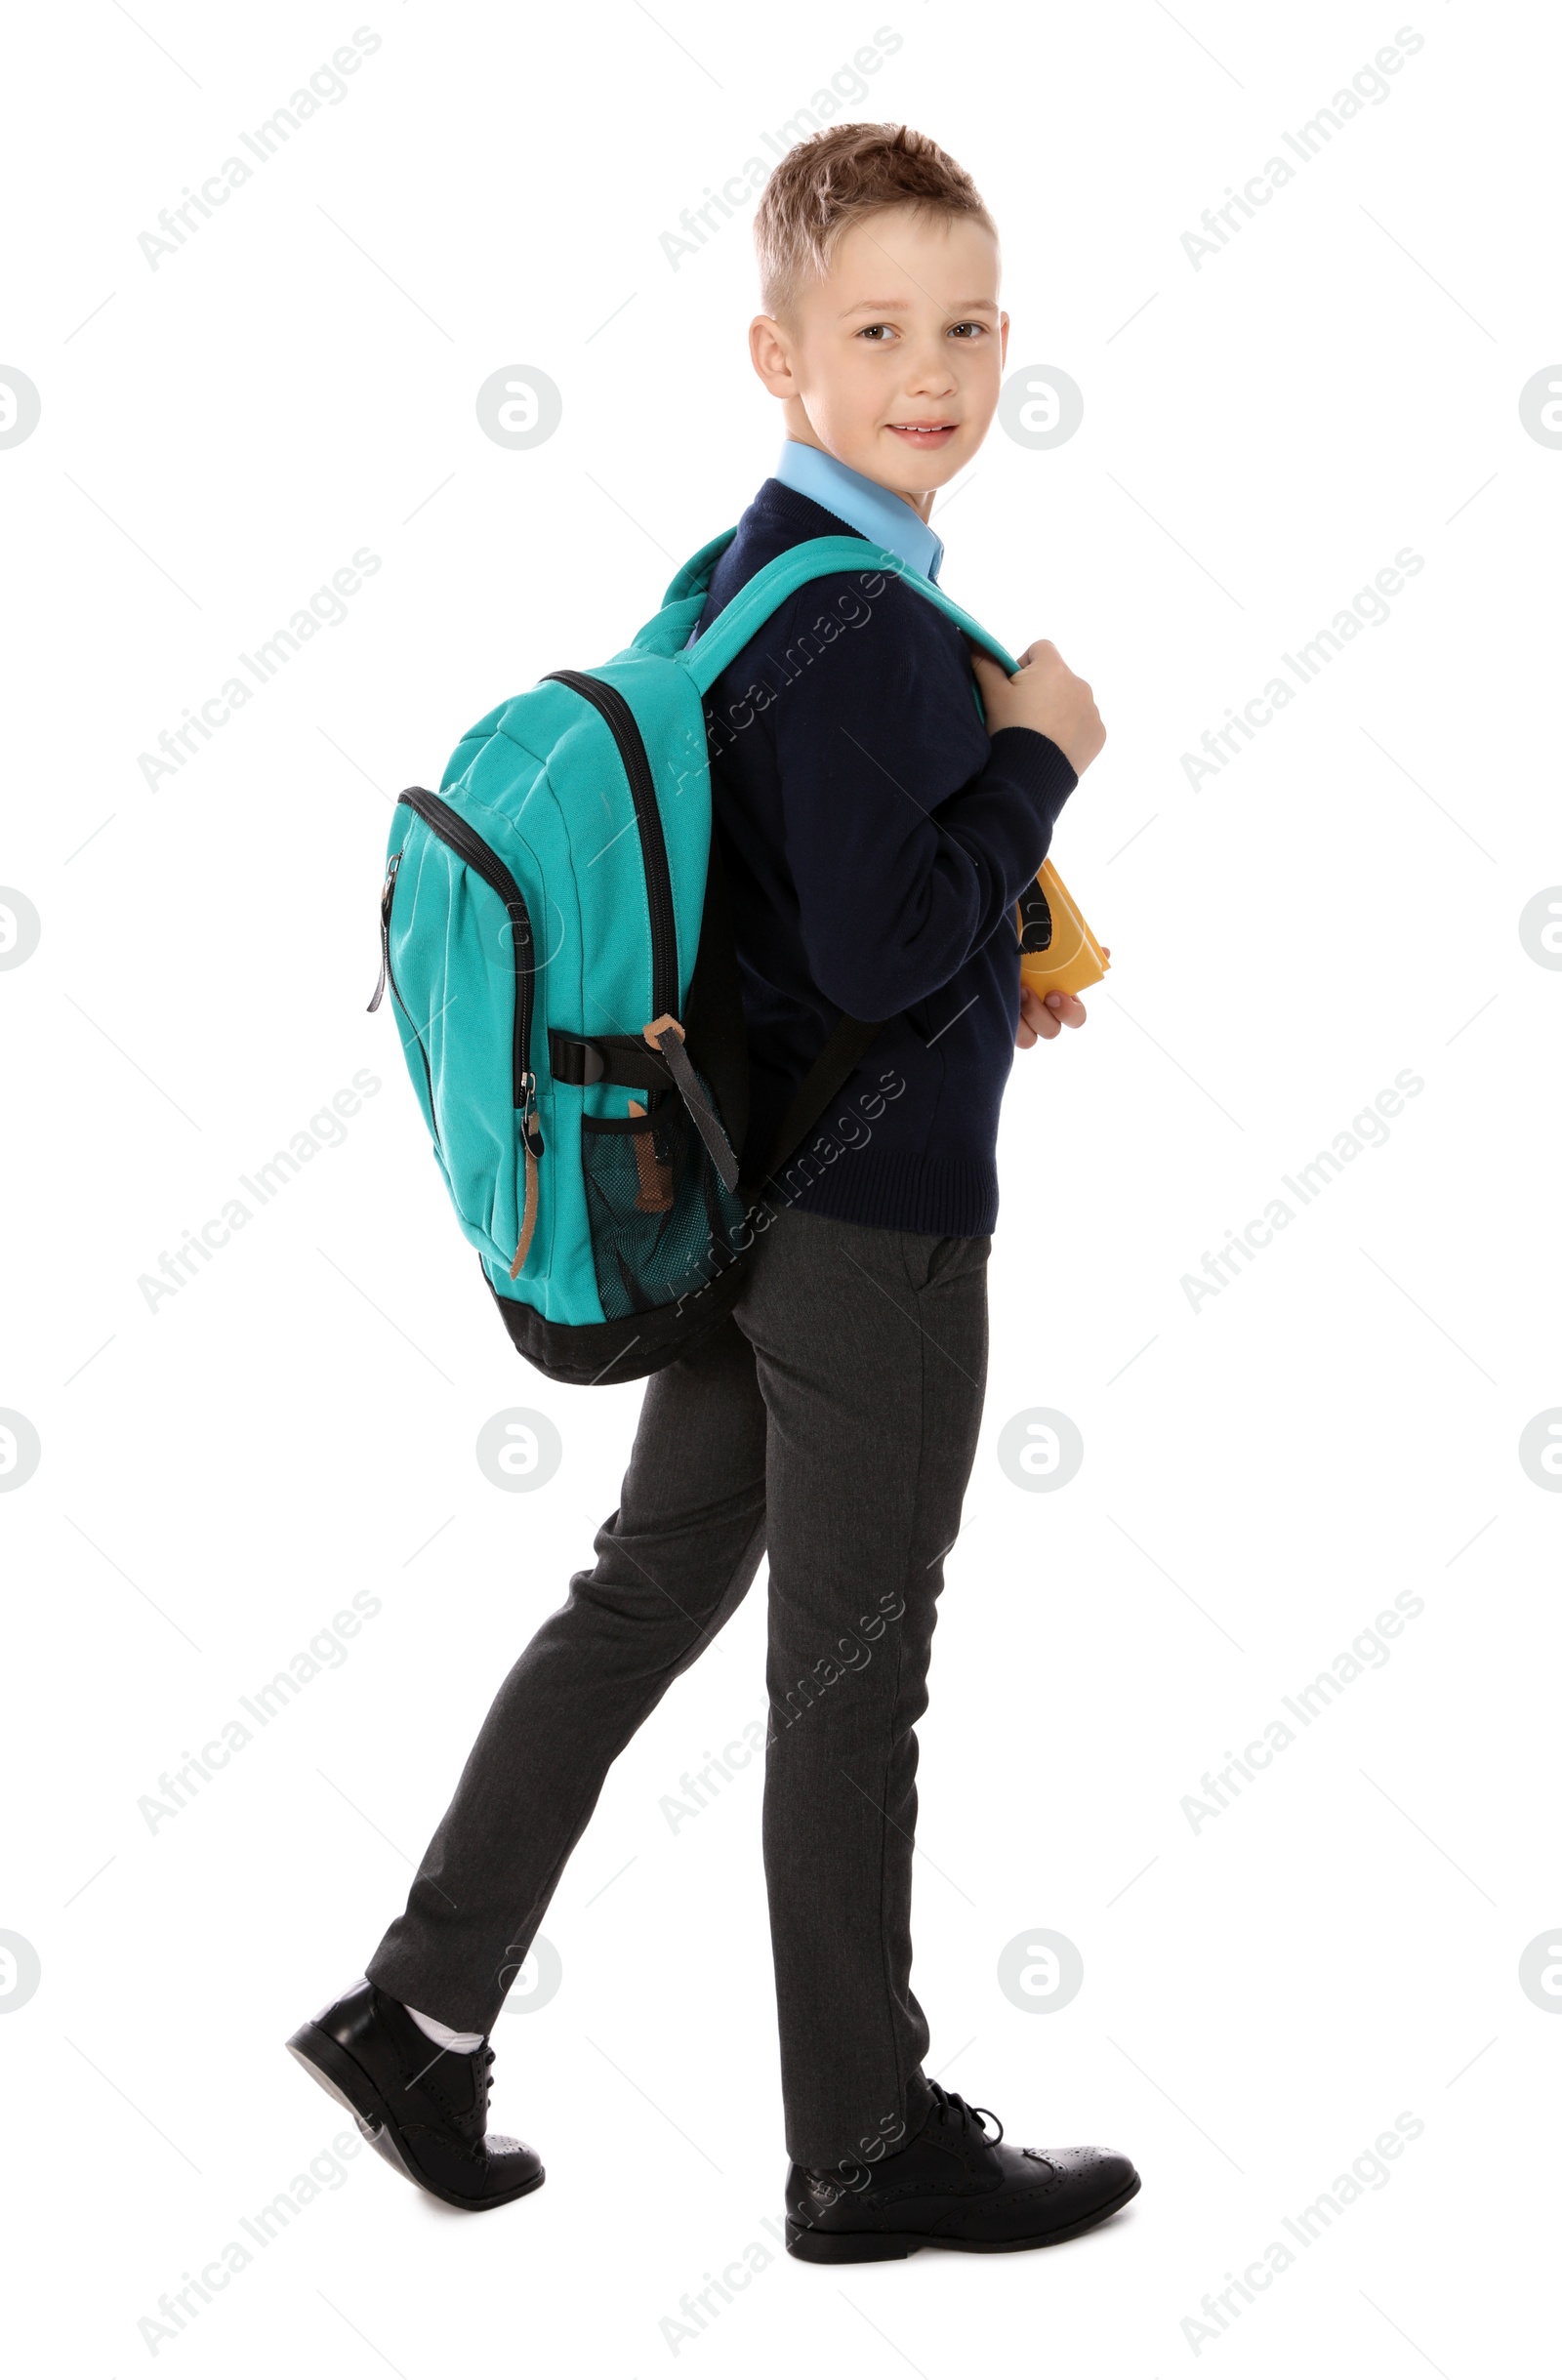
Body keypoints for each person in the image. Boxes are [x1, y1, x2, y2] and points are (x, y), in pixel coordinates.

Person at [287, 119, 1139, 2263]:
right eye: (872, 330)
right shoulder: (873, 622)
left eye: (959, 325)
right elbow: (869, 939)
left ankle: (414, 2010)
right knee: (853, 1668)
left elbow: (792, 920)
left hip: (753, 1208)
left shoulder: (754, 565)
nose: (925, 368)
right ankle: (859, 2144)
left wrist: (968, 967)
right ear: (778, 351)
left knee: (645, 1592)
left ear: (1006, 336)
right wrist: (1041, 749)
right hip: (872, 1248)